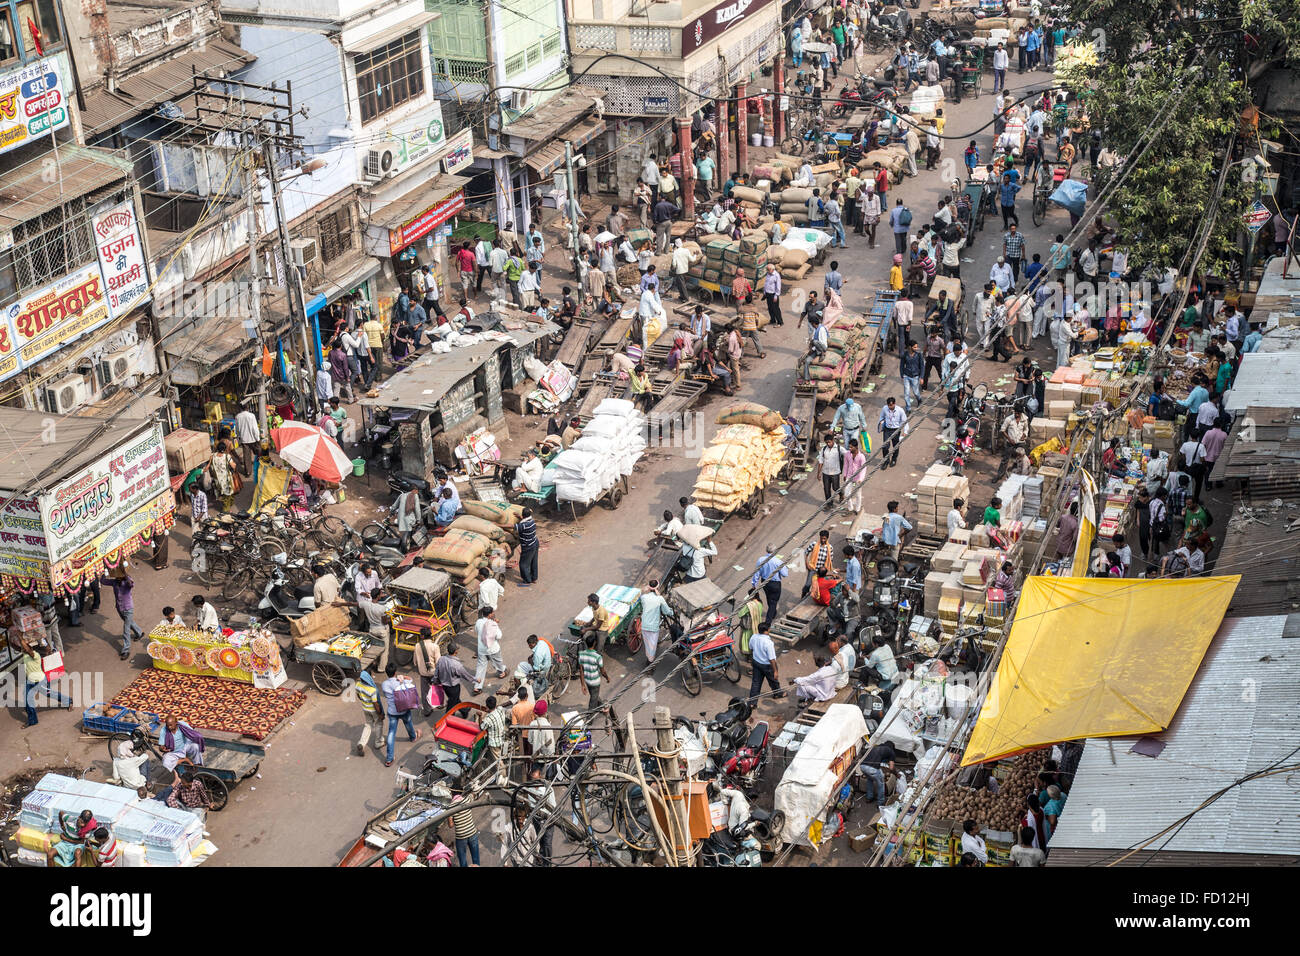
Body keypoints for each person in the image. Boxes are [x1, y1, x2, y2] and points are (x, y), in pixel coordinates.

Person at [379, 662, 421, 767]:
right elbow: (411, 680)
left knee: (391, 733)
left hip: (392, 711)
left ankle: (389, 758)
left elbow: (386, 694)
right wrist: (402, 677)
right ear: (395, 672)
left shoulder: (384, 684)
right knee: (408, 722)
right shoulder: (401, 682)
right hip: (404, 709)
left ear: (386, 673)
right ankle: (413, 737)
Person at [102, 569, 144, 660]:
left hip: (128, 608)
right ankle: (139, 633)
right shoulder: (114, 582)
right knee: (129, 622)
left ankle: (126, 650)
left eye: (118, 575)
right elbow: (103, 581)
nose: (117, 577)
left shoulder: (127, 581)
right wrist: (101, 572)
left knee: (126, 629)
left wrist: (125, 575)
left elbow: (131, 584)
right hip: (119, 608)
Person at [752, 549, 789, 627]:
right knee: (773, 602)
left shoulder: (761, 559)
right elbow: (785, 574)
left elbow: (757, 573)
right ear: (775, 551)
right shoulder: (778, 561)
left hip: (765, 583)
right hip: (775, 584)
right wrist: (785, 568)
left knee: (769, 599)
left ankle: (773, 613)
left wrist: (754, 584)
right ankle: (768, 622)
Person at [638, 581, 674, 663]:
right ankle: (650, 662)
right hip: (653, 627)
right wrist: (672, 612)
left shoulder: (644, 597)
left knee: (647, 644)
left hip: (644, 625)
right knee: (652, 646)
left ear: (649, 588)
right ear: (657, 588)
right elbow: (666, 611)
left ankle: (649, 657)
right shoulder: (660, 598)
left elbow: (642, 595)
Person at [474, 607, 507, 694]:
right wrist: (496, 624)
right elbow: (499, 636)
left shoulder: (478, 622)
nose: (493, 614)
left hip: (481, 649)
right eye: (492, 613)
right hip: (492, 649)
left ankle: (477, 687)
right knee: (498, 662)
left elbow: (476, 631)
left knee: (480, 667)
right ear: (489, 615)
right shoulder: (493, 624)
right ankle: (502, 672)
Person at [578, 633, 609, 709]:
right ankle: (589, 718)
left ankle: (603, 706)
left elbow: (581, 671)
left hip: (587, 681)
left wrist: (583, 684)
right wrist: (607, 678)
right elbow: (603, 671)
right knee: (593, 702)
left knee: (594, 695)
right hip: (595, 682)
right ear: (594, 643)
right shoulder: (597, 657)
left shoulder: (581, 654)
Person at [803, 528, 835, 598]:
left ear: (827, 538)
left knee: (819, 586)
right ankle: (803, 596)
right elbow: (805, 553)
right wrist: (807, 564)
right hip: (813, 568)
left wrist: (828, 571)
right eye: (822, 538)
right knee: (808, 585)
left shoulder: (830, 548)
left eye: (824, 539)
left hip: (822, 571)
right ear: (819, 537)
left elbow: (830, 560)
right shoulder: (814, 544)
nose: (823, 540)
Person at [450, 795, 481, 867]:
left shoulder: (450, 807)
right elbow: (473, 795)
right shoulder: (467, 800)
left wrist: (456, 819)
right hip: (472, 832)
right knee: (476, 858)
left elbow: (451, 825)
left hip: (461, 837)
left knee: (462, 859)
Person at [878, 397, 907, 468]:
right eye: (889, 405)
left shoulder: (900, 410)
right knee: (885, 446)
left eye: (892, 405)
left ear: (894, 404)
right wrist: (881, 424)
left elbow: (904, 421)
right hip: (887, 430)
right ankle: (886, 461)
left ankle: (894, 459)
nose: (890, 407)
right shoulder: (885, 409)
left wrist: (905, 431)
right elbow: (881, 417)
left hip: (896, 430)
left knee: (895, 446)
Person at [815, 433, 844, 501]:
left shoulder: (839, 448)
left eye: (829, 442)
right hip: (826, 473)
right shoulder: (824, 449)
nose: (828, 444)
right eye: (826, 442)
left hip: (835, 473)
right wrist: (818, 473)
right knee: (826, 489)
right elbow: (821, 461)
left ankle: (841, 493)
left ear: (832, 440)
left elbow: (847, 454)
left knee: (835, 488)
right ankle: (829, 503)